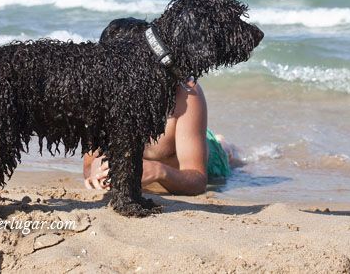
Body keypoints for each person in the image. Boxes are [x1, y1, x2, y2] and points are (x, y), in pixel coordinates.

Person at [82, 18, 237, 195]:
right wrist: (94, 169)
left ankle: (223, 143)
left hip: (211, 161)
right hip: (186, 140)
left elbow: (198, 182)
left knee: (226, 151)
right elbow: (88, 164)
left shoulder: (185, 92)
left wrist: (157, 171)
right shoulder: (99, 94)